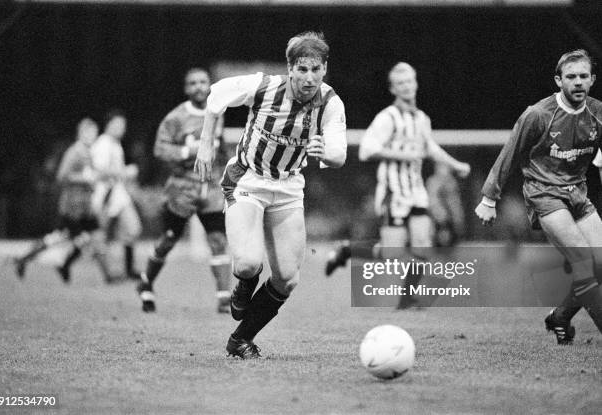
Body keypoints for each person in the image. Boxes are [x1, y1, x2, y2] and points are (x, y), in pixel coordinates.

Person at [195, 31, 347, 359]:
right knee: (249, 263)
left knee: (287, 279)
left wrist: (327, 152)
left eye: (316, 69)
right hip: (247, 180)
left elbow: (339, 153)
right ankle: (244, 285)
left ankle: (240, 339)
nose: (309, 77)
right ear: (290, 68)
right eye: (302, 69)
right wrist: (205, 144)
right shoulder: (264, 87)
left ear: (324, 69)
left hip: (289, 188)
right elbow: (216, 95)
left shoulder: (331, 103)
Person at [475, 49, 602, 344]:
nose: (578, 82)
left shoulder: (597, 112)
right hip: (544, 193)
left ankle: (560, 316)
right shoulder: (538, 114)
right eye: (571, 77)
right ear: (559, 80)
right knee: (585, 262)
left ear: (593, 79)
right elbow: (510, 151)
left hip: (577, 193)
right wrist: (489, 198)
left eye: (584, 76)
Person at [325, 62, 470, 309]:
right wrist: (401, 155)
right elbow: (367, 150)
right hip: (394, 193)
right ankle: (347, 250)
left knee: (422, 245)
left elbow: (429, 147)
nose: (406, 86)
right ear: (393, 88)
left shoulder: (422, 118)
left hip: (416, 192)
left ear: (415, 83)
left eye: (410, 81)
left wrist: (455, 164)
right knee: (392, 253)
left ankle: (406, 300)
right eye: (400, 83)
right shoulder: (387, 118)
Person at [137, 67, 232, 314]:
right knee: (168, 239)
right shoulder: (176, 117)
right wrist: (187, 152)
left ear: (210, 85)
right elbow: (159, 149)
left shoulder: (218, 113)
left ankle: (224, 298)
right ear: (186, 89)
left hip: (210, 188)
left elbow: (219, 148)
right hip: (183, 187)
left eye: (203, 82)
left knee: (218, 240)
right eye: (193, 83)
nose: (199, 87)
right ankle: (146, 283)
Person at [15, 118, 113, 282]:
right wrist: (84, 178)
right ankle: (28, 259)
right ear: (81, 133)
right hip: (72, 207)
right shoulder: (73, 152)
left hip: (85, 207)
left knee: (94, 238)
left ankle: (104, 276)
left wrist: (104, 177)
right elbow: (61, 177)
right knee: (74, 239)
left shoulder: (88, 152)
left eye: (94, 134)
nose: (93, 137)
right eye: (90, 133)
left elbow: (94, 174)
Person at [91, 109, 142, 280]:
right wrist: (125, 172)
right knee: (100, 237)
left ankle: (128, 270)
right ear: (108, 125)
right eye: (118, 124)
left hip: (118, 195)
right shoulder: (102, 144)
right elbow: (99, 171)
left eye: (123, 125)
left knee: (133, 229)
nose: (121, 128)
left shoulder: (115, 144)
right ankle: (108, 274)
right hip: (105, 195)